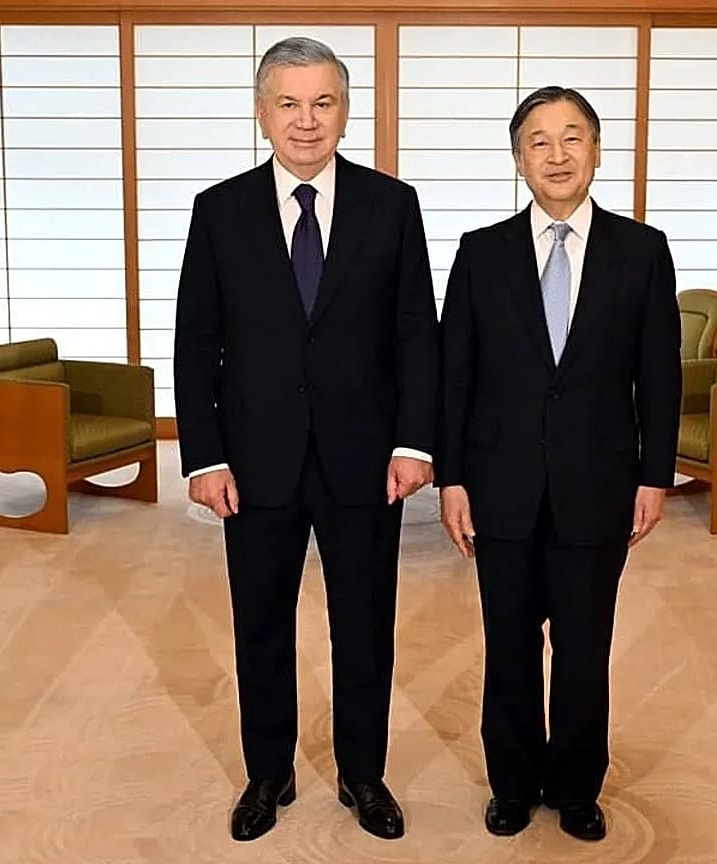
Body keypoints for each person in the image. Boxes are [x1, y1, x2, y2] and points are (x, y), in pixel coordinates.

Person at [174, 36, 437, 842]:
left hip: (366, 457)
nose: (306, 120)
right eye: (288, 103)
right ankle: (268, 772)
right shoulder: (219, 210)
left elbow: (416, 335)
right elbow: (196, 342)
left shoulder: (393, 205)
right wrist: (204, 456)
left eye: (323, 102)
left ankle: (363, 774)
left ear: (345, 111)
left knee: (365, 625)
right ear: (262, 113)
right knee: (260, 624)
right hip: (256, 461)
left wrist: (414, 444)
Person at [435, 86, 681, 842]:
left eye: (572, 137)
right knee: (509, 646)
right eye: (538, 141)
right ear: (518, 160)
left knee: (583, 648)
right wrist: (451, 478)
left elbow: (659, 375)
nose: (557, 154)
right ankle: (511, 784)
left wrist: (655, 475)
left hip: (598, 484)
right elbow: (455, 376)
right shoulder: (481, 252)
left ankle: (577, 788)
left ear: (596, 151)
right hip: (500, 484)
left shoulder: (643, 251)